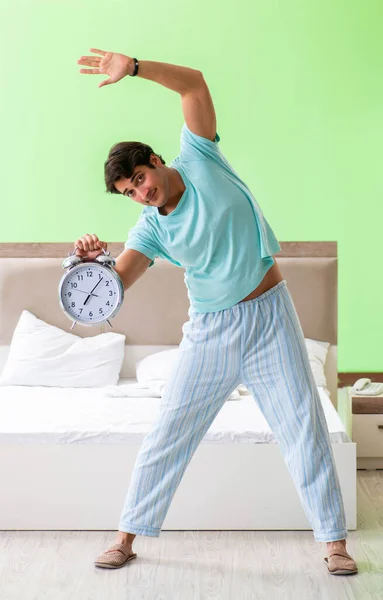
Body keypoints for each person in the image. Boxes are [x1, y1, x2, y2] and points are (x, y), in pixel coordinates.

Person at [74, 48, 358, 575]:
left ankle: (334, 543)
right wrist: (88, 265)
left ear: (155, 159)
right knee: (169, 433)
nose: (141, 192)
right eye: (128, 191)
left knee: (304, 426)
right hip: (211, 331)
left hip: (271, 314)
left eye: (139, 177)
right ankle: (126, 537)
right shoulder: (152, 227)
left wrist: (133, 67)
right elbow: (114, 286)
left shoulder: (199, 156)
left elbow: (194, 85)